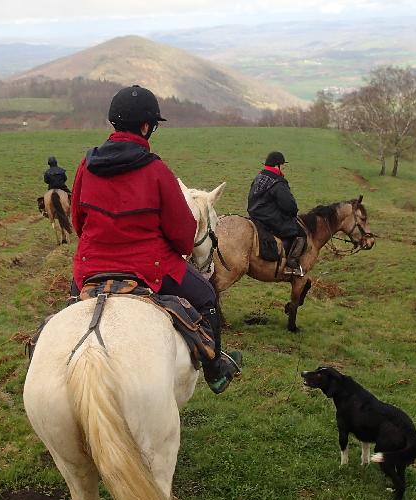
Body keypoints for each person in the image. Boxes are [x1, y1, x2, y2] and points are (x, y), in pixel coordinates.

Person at [69, 84, 241, 394]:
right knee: (206, 298)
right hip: (150, 269)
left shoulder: (86, 165)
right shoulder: (157, 171)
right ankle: (215, 370)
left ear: (112, 123)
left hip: (91, 268)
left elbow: (77, 223)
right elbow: (183, 238)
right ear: (147, 127)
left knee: (67, 310)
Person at [247, 151, 305, 276]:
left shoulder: (258, 177)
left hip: (254, 216)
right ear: (277, 165)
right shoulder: (278, 182)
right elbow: (290, 207)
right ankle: (291, 265)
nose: (284, 168)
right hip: (270, 219)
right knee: (300, 233)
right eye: (283, 165)